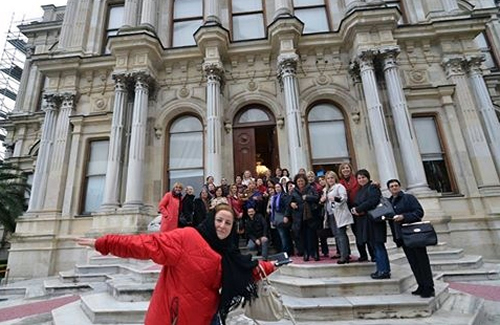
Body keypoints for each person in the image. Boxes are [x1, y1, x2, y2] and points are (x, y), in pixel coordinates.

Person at [75, 204, 276, 325]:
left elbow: (244, 271)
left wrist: (273, 264)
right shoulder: (186, 237)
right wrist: (105, 243)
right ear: (210, 219)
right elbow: (145, 245)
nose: (222, 226)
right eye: (219, 220)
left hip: (208, 318)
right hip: (174, 318)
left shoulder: (228, 254)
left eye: (227, 223)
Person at [387, 179, 435, 298]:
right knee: (413, 262)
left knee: (422, 261)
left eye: (396, 185)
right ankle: (421, 285)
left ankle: (429, 287)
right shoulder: (389, 202)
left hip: (414, 234)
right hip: (402, 235)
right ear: (389, 189)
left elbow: (419, 212)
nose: (394, 188)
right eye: (391, 186)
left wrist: (404, 217)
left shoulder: (409, 198)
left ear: (399, 186)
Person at [351, 169, 390, 279]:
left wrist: (358, 209)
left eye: (363, 177)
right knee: (374, 246)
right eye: (359, 178)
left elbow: (372, 201)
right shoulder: (361, 189)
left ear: (368, 177)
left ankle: (383, 271)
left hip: (375, 221)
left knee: (378, 246)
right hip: (366, 221)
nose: (361, 180)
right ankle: (381, 269)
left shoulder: (372, 187)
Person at [338, 163, 374, 262]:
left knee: (367, 234)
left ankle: (373, 255)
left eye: (347, 168)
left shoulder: (357, 179)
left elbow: (366, 185)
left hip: (361, 208)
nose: (345, 170)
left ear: (350, 169)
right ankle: (363, 255)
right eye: (343, 168)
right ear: (340, 171)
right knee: (357, 234)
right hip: (349, 210)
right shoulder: (340, 183)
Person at [320, 171, 353, 264]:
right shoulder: (326, 189)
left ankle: (344, 255)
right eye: (328, 178)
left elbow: (344, 198)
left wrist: (335, 198)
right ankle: (342, 253)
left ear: (335, 178)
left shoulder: (339, 187)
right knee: (336, 235)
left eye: (332, 178)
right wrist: (322, 200)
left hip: (339, 213)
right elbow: (323, 200)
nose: (330, 180)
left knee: (341, 234)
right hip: (330, 214)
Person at [286, 173, 320, 261]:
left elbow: (317, 198)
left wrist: (307, 197)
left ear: (305, 181)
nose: (300, 182)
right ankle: (306, 253)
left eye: (302, 181)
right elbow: (289, 202)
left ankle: (315, 253)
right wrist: (291, 204)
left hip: (310, 216)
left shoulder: (311, 188)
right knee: (302, 236)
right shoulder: (293, 191)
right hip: (299, 217)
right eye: (298, 181)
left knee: (312, 235)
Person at [269, 183, 293, 256]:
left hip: (283, 217)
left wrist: (286, 216)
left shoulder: (284, 196)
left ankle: (286, 251)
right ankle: (286, 250)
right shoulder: (274, 197)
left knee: (284, 235)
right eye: (276, 187)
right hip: (276, 217)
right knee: (281, 235)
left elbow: (287, 207)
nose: (277, 189)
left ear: (281, 188)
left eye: (278, 187)